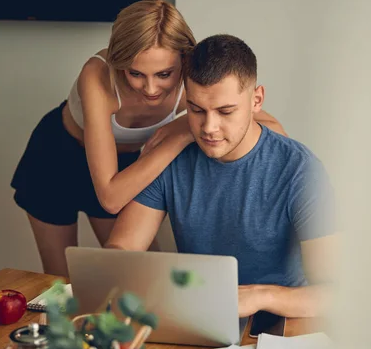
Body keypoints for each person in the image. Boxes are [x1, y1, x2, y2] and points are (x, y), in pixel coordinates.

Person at [10, 0, 287, 277]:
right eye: (136, 74)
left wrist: (180, 127)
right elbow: (111, 198)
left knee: (141, 272)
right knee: (59, 281)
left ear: (185, 59)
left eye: (165, 74)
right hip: (56, 157)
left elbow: (275, 129)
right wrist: (180, 136)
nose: (151, 88)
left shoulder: (193, 75)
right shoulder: (96, 75)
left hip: (126, 163)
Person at [106, 34, 336, 318]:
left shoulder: (301, 170)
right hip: (197, 317)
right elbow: (122, 247)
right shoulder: (170, 158)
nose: (209, 128)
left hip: (280, 323)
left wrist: (259, 295)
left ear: (257, 100)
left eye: (225, 111)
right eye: (196, 110)